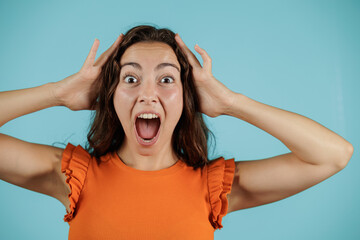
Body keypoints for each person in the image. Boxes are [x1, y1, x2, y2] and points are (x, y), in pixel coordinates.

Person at [0, 25, 353, 239]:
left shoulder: (213, 189)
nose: (147, 93)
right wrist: (57, 94)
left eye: (166, 79)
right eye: (131, 79)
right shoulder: (71, 177)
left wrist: (231, 102)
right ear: (111, 96)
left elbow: (333, 155)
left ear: (188, 98)